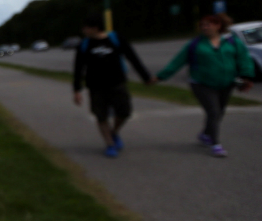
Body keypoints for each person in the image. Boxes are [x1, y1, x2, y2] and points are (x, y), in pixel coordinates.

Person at [155, 13, 254, 157]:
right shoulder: (195, 44)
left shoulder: (232, 42)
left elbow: (244, 58)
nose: (204, 27)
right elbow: (177, 62)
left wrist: (247, 76)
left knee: (219, 112)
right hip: (201, 84)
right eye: (202, 25)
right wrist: (159, 77)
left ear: (218, 26)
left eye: (208, 24)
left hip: (226, 83)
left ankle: (206, 134)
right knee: (213, 111)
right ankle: (216, 144)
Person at [72, 14, 153, 158]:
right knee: (101, 116)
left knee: (124, 112)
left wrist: (145, 77)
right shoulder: (84, 45)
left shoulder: (116, 39)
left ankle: (114, 133)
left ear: (95, 28)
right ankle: (110, 144)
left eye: (85, 27)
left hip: (117, 84)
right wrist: (77, 90)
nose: (83, 30)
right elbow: (78, 69)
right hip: (96, 87)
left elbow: (132, 57)